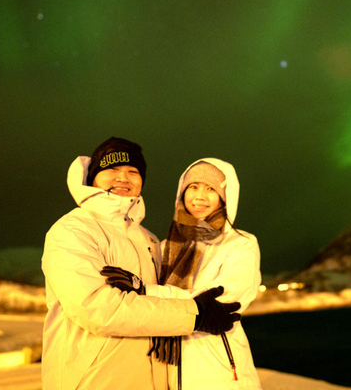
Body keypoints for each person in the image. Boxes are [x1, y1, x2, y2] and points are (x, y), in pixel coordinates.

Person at [42, 138, 240, 390]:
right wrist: (195, 315)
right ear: (92, 177)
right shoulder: (72, 230)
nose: (123, 178)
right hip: (95, 380)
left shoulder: (148, 239)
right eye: (112, 169)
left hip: (151, 378)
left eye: (132, 171)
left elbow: (158, 300)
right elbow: (97, 309)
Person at [103, 158, 262, 389]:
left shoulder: (240, 244)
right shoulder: (167, 246)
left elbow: (223, 300)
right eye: (193, 187)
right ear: (181, 193)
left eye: (211, 189)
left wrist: (147, 291)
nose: (199, 196)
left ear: (225, 197)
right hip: (168, 369)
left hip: (219, 371)